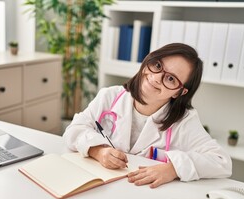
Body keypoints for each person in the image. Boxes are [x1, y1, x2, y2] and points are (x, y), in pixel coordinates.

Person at [63, 43, 232, 188]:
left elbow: (221, 162)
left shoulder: (185, 121)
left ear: (180, 92)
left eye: (171, 79)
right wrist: (98, 151)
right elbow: (74, 130)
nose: (156, 78)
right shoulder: (110, 96)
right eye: (157, 66)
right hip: (100, 185)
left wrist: (173, 169)